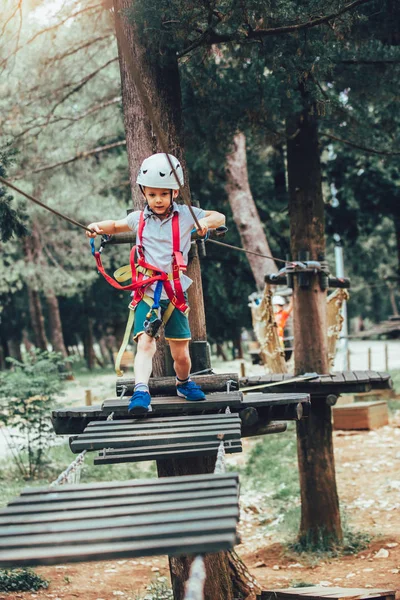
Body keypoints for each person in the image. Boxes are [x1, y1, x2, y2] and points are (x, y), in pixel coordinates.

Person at [86, 153, 225, 415]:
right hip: (147, 292)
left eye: (164, 193)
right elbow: (114, 225)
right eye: (152, 194)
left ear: (174, 192)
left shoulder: (186, 216)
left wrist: (204, 222)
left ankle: (183, 383)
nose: (158, 199)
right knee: (145, 345)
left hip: (174, 294)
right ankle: (141, 391)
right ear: (144, 193)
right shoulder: (138, 219)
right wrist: (96, 227)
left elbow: (219, 217)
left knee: (181, 355)